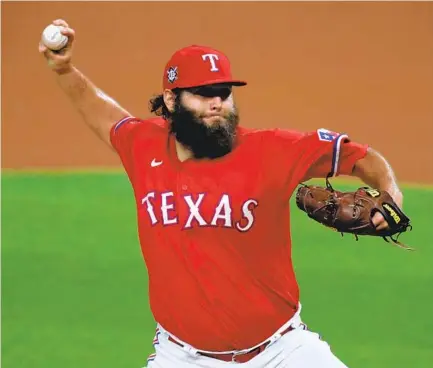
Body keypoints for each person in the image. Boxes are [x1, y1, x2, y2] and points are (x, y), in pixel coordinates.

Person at [39, 19, 404, 368]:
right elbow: (104, 115)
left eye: (223, 94)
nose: (217, 103)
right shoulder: (143, 146)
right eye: (203, 94)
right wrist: (63, 70)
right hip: (181, 357)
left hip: (281, 351)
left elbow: (359, 156)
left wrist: (391, 193)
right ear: (171, 99)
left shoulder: (272, 150)